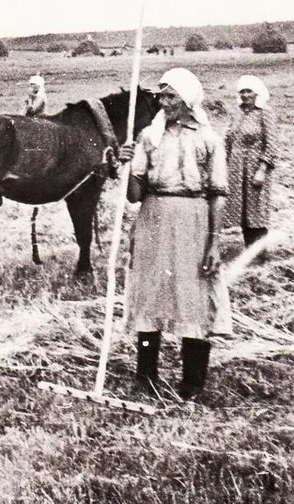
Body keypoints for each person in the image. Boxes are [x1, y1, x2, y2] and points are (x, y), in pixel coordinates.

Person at [118, 67, 230, 401]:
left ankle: (192, 383)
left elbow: (218, 194)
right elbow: (135, 195)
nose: (164, 103)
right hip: (154, 216)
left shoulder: (209, 139)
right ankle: (146, 376)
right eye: (161, 96)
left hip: (194, 219)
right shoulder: (149, 136)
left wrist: (214, 243)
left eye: (171, 97)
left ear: (188, 100)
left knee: (193, 295)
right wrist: (125, 166)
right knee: (150, 293)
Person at [221, 75, 278, 250]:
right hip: (236, 168)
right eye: (242, 91)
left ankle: (259, 253)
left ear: (257, 93)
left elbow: (272, 144)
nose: (245, 95)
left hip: (255, 168)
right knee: (244, 211)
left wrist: (262, 169)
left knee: (257, 211)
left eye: (249, 91)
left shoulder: (265, 113)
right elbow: (228, 140)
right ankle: (249, 249)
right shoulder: (237, 112)